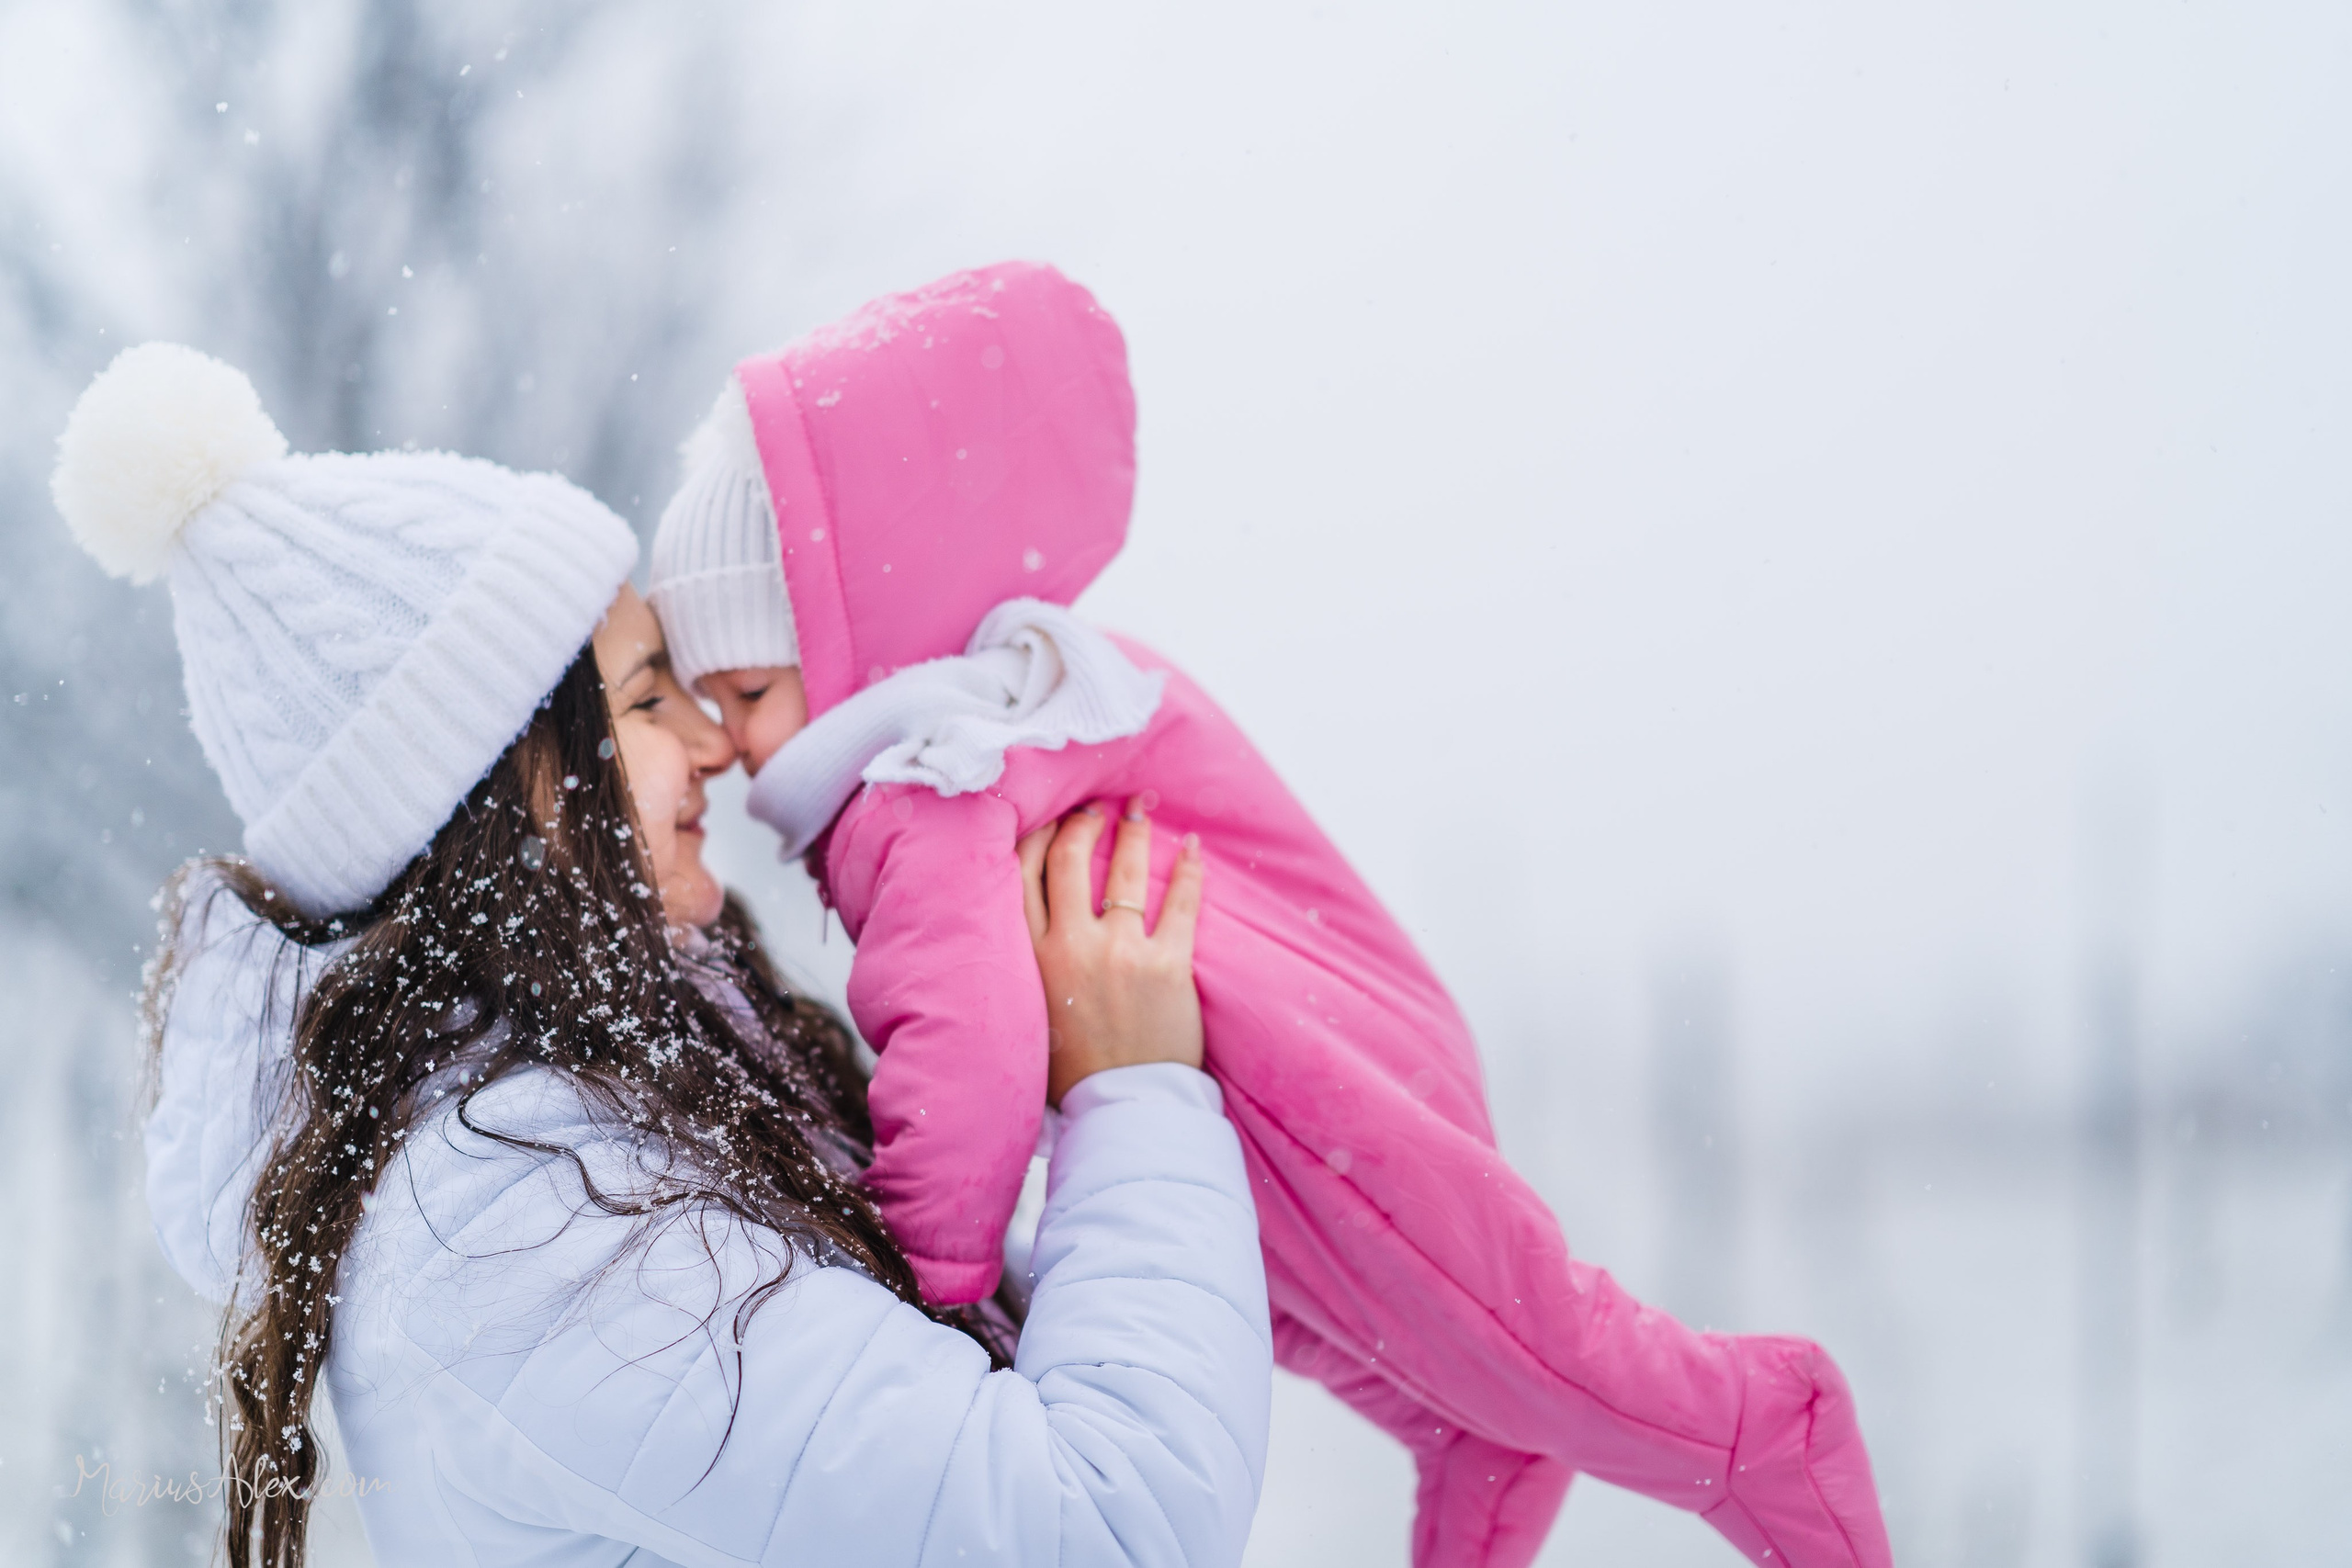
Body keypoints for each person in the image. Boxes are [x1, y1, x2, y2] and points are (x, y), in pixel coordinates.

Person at [642, 261, 1894, 1568]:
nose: (733, 746)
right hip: (1329, 1063)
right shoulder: (1049, 693)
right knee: (1390, 1343)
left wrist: (924, 1273)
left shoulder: (927, 783)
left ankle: (1755, 1424)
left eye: (749, 693)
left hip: (1315, 1095)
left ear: (854, 644)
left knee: (1540, 1344)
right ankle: (1481, 1427)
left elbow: (971, 1055)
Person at [54, 342, 1272, 1568]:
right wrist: (1134, 1092)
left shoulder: (607, 1113)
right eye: (645, 700)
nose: (712, 743)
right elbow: (1105, 1524)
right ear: (495, 798)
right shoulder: (516, 1233)